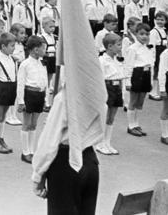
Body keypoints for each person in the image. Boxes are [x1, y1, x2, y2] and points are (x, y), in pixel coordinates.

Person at [32, 82, 100, 215]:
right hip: (89, 158)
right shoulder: (96, 92)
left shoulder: (65, 98)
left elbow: (50, 139)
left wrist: (38, 174)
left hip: (66, 162)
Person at [16, 36, 48, 164]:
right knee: (26, 123)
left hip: (40, 94)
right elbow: (20, 83)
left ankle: (31, 150)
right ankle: (25, 152)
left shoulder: (42, 63)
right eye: (43, 48)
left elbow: (45, 81)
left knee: (34, 124)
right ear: (35, 49)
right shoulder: (25, 64)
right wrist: (21, 101)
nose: (45, 50)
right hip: (29, 94)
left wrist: (46, 98)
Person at [96, 33, 126, 155]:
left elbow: (121, 75)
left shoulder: (117, 59)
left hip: (117, 86)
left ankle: (107, 142)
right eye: (118, 45)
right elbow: (99, 78)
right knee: (104, 116)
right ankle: (100, 143)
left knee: (111, 118)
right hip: (107, 87)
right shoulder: (102, 60)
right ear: (109, 46)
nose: (120, 47)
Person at [0, 32, 17, 154]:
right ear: (3, 47)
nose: (14, 48)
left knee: (4, 115)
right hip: (2, 89)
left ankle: (1, 138)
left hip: (10, 88)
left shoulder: (11, 59)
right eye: (12, 46)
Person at [124, 22, 154, 137]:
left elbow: (151, 65)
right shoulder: (132, 49)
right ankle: (131, 126)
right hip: (137, 74)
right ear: (136, 34)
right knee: (133, 101)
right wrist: (128, 81)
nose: (144, 36)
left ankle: (136, 124)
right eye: (141, 34)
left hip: (146, 74)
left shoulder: (148, 48)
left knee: (140, 102)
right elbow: (128, 66)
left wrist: (151, 81)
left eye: (147, 34)